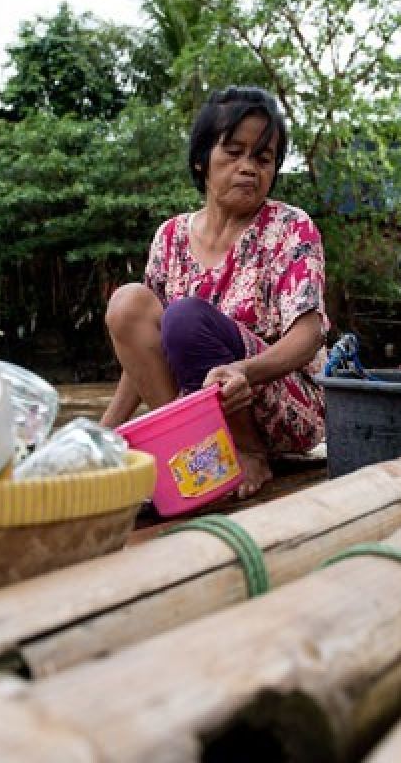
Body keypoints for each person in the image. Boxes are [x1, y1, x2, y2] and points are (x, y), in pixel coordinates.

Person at [100, 86, 328, 497]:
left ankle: (246, 450)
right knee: (127, 305)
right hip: (203, 403)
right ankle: (195, 450)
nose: (248, 168)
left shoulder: (290, 227)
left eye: (262, 158)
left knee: (186, 318)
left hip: (280, 401)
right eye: (233, 152)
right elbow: (144, 351)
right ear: (203, 160)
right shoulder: (169, 236)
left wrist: (245, 371)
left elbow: (308, 335)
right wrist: (102, 436)